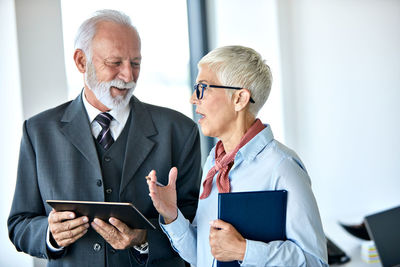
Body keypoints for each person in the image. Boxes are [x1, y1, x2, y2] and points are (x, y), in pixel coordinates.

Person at [8, 9, 201, 267]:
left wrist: (144, 240)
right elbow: (19, 224)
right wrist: (50, 235)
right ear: (80, 61)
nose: (128, 76)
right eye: (115, 63)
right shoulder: (38, 131)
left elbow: (196, 224)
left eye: (135, 63)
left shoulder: (179, 131)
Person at [146, 45, 329, 266]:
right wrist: (172, 216)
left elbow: (316, 262)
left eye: (202, 88)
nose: (193, 99)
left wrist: (244, 250)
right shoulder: (214, 163)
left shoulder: (282, 166)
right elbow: (203, 257)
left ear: (240, 99)